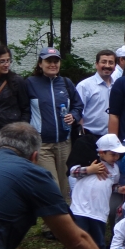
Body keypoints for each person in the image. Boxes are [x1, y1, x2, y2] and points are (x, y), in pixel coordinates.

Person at [26, 47, 84, 201]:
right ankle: (49, 224)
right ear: (40, 64)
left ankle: (64, 221)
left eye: (56, 61)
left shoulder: (66, 83)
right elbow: (23, 110)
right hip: (42, 144)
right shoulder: (31, 83)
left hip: (65, 142)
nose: (53, 64)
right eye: (48, 61)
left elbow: (78, 105)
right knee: (52, 186)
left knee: (65, 186)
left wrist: (74, 115)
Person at [68, 134, 125, 249]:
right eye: (113, 154)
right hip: (81, 207)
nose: (116, 158)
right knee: (82, 236)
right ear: (102, 152)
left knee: (99, 238)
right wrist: (90, 170)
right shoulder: (91, 161)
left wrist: (119, 189)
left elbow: (112, 185)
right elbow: (74, 172)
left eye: (117, 155)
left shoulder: (115, 169)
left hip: (99, 210)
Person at [76, 50, 115, 138]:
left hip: (111, 136)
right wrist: (81, 135)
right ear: (96, 64)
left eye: (111, 63)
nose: (107, 66)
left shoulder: (117, 85)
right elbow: (78, 112)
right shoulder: (84, 86)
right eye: (104, 62)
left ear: (115, 66)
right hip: (89, 135)